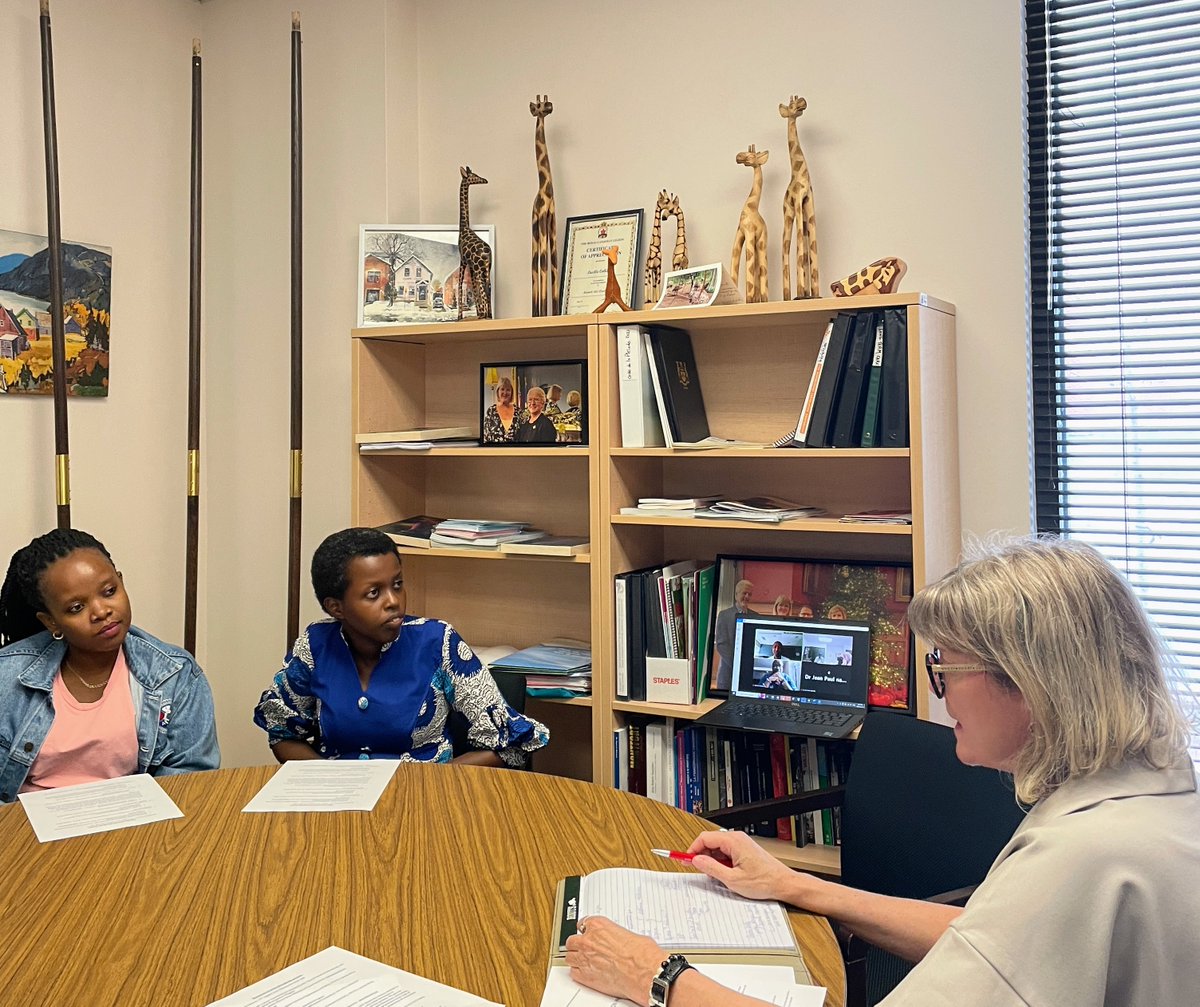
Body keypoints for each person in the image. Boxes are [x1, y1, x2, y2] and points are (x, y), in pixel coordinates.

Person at [567, 536, 1200, 1006]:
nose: (940, 697)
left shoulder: (1084, 855)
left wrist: (656, 974)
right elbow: (991, 938)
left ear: (1028, 682)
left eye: (945, 671)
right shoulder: (1148, 786)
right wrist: (794, 885)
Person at [254, 527, 549, 766]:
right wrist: (328, 782)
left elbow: (511, 742)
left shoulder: (438, 642)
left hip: (423, 808)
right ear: (336, 607)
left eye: (397, 584)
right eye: (373, 593)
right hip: (338, 812)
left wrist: (433, 784)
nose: (393, 601)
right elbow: (282, 734)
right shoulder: (316, 646)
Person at [0, 528, 219, 801]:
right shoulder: (7, 676)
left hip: (130, 826)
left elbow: (192, 775)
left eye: (109, 591)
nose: (102, 611)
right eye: (76, 607)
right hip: (26, 830)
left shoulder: (175, 674)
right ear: (51, 622)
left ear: (121, 581)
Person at [712, 579, 753, 690]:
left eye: (750, 594)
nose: (747, 597)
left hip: (748, 677)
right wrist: (738, 665)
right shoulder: (724, 615)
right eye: (744, 593)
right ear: (736, 595)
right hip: (727, 675)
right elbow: (721, 644)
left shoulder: (756, 616)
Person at [482, 376, 519, 443]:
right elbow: (485, 437)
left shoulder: (518, 411)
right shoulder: (491, 411)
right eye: (502, 389)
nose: (505, 392)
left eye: (508, 390)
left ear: (511, 392)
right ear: (498, 391)